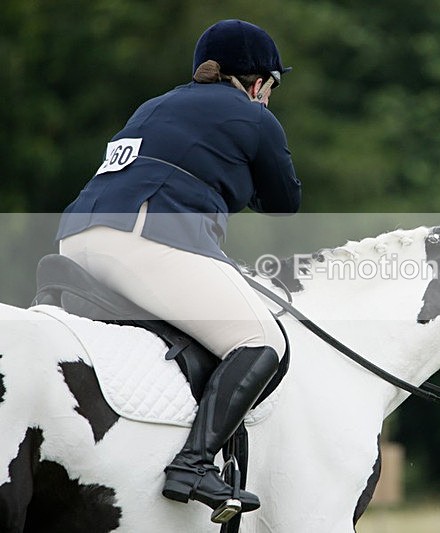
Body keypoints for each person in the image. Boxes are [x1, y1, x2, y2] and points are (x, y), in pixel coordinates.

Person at [56, 19, 301, 518]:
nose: (270, 97)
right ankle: (193, 464)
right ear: (258, 83)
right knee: (262, 341)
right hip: (139, 244)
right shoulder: (254, 117)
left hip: (72, 241)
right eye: (272, 87)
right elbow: (284, 202)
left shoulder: (155, 105)